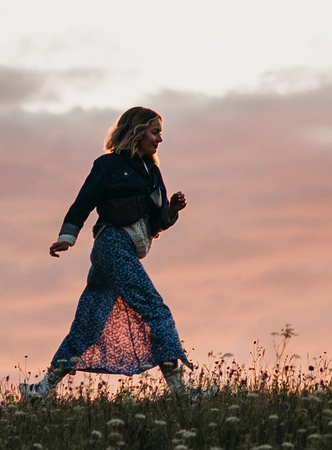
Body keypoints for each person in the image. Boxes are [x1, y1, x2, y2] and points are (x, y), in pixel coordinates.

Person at [22, 106, 202, 400]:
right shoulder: (106, 166)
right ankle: (181, 391)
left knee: (89, 321)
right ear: (136, 131)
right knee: (156, 309)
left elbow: (156, 224)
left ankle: (41, 390)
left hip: (125, 249)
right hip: (112, 244)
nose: (159, 139)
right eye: (154, 132)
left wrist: (171, 210)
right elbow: (83, 204)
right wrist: (67, 238)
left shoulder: (152, 172)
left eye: (160, 133)